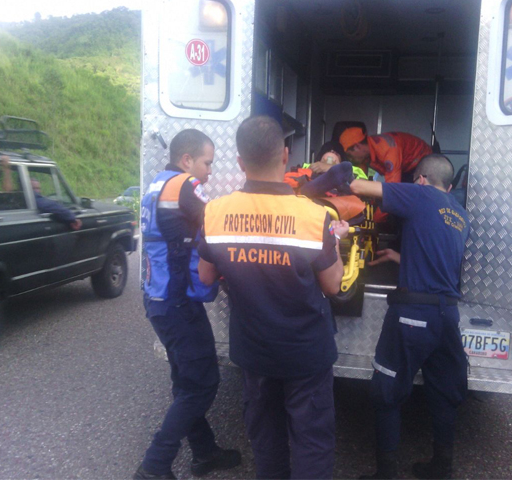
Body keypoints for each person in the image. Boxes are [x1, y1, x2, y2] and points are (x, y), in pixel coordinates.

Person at [197, 115, 349, 479]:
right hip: (306, 353)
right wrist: (337, 246)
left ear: (239, 161)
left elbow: (205, 276)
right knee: (312, 444)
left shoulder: (215, 213)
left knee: (266, 443)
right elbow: (332, 284)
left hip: (255, 351)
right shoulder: (314, 217)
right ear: (285, 155)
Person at [349, 154, 470, 480]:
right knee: (445, 391)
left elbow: (359, 186)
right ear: (450, 184)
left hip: (413, 315)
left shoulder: (419, 194)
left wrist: (329, 171)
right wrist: (400, 256)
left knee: (386, 393)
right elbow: (439, 261)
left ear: (420, 179)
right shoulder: (460, 215)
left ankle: (386, 474)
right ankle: (441, 467)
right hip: (447, 315)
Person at [134, 129, 241, 480]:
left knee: (186, 381)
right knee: (202, 384)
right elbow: (216, 223)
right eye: (207, 163)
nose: (209, 171)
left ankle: (204, 452)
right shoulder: (184, 184)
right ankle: (154, 465)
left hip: (158, 300)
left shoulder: (156, 184)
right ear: (186, 161)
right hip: (178, 304)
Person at [0, 156, 81, 230]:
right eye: (33, 188)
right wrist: (72, 218)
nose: (37, 191)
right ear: (26, 189)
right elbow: (52, 206)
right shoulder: (29, 198)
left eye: (38, 188)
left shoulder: (15, 198)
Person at [340, 128, 433, 184]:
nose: (350, 159)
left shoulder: (387, 150)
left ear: (357, 147)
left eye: (349, 155)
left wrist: (377, 216)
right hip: (404, 167)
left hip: (423, 162)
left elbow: (392, 191)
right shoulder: (366, 154)